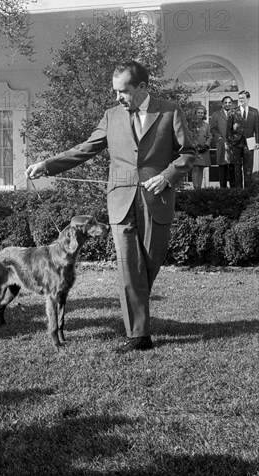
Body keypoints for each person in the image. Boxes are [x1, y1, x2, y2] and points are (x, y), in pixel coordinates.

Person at [26, 60, 196, 353]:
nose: (118, 97)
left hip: (157, 200)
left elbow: (189, 153)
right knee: (129, 267)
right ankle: (139, 335)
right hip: (120, 202)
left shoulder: (170, 111)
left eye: (124, 91)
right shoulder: (111, 116)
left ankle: (137, 315)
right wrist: (47, 164)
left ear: (142, 87)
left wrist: (168, 176)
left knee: (149, 264)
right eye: (115, 91)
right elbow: (85, 149)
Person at [226, 90, 259, 188]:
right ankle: (238, 191)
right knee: (237, 168)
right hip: (236, 142)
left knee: (248, 168)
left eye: (243, 98)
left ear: (248, 98)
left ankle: (248, 192)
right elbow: (228, 129)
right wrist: (231, 141)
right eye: (239, 98)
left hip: (250, 142)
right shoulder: (233, 111)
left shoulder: (254, 111)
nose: (241, 100)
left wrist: (257, 141)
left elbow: (257, 128)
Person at [209, 97, 236, 188]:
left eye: (229, 102)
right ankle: (223, 191)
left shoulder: (236, 113)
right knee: (222, 168)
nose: (227, 104)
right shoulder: (216, 114)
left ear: (231, 104)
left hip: (233, 144)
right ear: (222, 104)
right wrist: (219, 137)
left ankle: (234, 191)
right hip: (222, 143)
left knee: (233, 168)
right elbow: (212, 129)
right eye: (225, 102)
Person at [191, 105, 212, 189]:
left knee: (201, 169)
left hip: (204, 149)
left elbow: (210, 136)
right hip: (195, 149)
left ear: (204, 114)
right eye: (198, 113)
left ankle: (199, 188)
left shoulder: (206, 125)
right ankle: (195, 187)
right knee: (195, 168)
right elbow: (191, 136)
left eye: (202, 113)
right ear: (195, 113)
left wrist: (206, 145)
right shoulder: (191, 124)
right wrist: (197, 145)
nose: (200, 114)